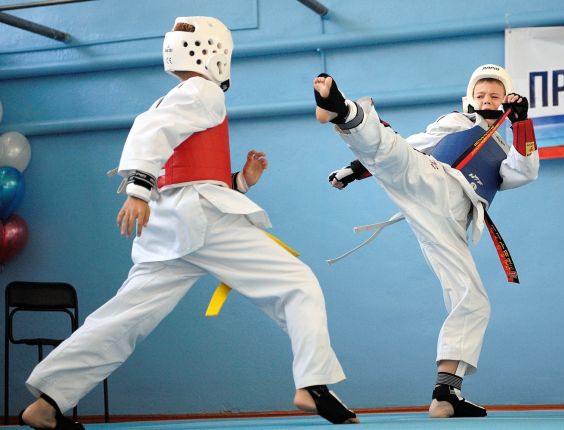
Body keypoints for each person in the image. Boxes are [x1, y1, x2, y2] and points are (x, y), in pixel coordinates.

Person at [18, 16, 358, 430]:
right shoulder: (203, 90)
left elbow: (181, 166)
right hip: (201, 220)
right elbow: (151, 131)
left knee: (124, 318)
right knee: (297, 284)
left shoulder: (175, 96)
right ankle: (313, 383)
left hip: (169, 225)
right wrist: (138, 187)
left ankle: (48, 401)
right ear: (216, 53)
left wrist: (239, 181)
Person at [313, 64, 539, 418]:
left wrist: (522, 122)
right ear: (470, 97)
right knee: (401, 159)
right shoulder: (456, 121)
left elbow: (525, 171)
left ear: (505, 99)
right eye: (481, 94)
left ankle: (446, 393)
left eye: (494, 95)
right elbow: (411, 146)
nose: (487, 100)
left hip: (452, 220)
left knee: (473, 299)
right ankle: (343, 111)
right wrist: (355, 170)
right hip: (437, 180)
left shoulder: (504, 147)